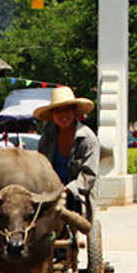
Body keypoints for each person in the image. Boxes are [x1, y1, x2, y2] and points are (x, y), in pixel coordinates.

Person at [33, 86, 100, 220]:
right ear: (52, 115)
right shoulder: (47, 138)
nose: (63, 115)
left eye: (67, 109)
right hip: (50, 193)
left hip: (76, 195)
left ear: (74, 111)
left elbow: (89, 175)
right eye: (58, 110)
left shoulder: (87, 138)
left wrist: (66, 190)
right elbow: (40, 166)